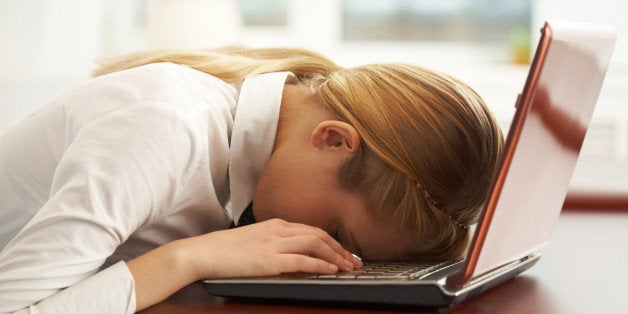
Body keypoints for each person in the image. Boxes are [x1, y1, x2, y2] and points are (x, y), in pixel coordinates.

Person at [0, 46, 503, 313]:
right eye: (340, 233)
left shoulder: (248, 140)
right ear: (332, 140)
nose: (327, 250)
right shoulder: (166, 130)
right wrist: (191, 257)